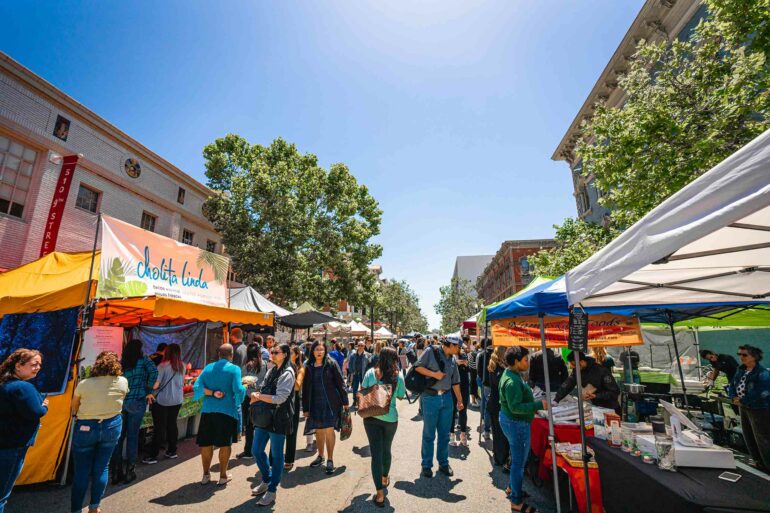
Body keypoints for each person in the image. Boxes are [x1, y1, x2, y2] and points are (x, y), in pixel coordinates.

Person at [71, 352, 128, 513]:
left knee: (82, 470)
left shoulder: (84, 383)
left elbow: (74, 406)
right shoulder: (122, 381)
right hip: (111, 425)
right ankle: (94, 507)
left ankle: (76, 509)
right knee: (102, 467)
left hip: (86, 426)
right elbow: (122, 397)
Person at [499, 346, 547, 513]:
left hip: (512, 422)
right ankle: (516, 502)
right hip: (516, 423)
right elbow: (515, 408)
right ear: (516, 361)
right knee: (518, 464)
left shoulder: (511, 374)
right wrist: (539, 404)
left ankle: (513, 489)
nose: (528, 363)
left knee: (517, 460)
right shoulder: (512, 381)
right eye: (525, 360)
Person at [0, 349, 48, 513]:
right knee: (2, 495)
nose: (38, 368)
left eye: (39, 365)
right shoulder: (23, 387)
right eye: (34, 364)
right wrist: (45, 407)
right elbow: (35, 411)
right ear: (18, 366)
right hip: (12, 447)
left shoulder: (6, 384)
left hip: (5, 442)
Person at [250, 343, 296, 507]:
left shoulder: (288, 373)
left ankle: (272, 490)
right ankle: (267, 479)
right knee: (256, 450)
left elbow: (280, 398)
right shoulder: (271, 370)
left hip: (279, 419)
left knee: (277, 456)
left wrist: (260, 396)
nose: (272, 354)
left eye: (276, 352)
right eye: (272, 351)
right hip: (264, 417)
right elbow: (264, 389)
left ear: (284, 354)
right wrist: (256, 392)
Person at [193, 344, 245, 486]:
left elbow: (196, 387)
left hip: (208, 410)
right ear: (231, 355)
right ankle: (222, 476)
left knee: (206, 443)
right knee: (225, 445)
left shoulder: (208, 367)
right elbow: (238, 389)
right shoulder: (235, 369)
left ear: (218, 354)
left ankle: (205, 475)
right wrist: (244, 388)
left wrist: (212, 393)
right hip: (227, 411)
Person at [360, 347, 406, 507]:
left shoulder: (370, 373)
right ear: (394, 359)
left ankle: (379, 494)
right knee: (386, 450)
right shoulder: (398, 375)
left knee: (376, 454)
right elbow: (400, 396)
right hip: (390, 418)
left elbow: (362, 390)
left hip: (371, 416)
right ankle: (385, 478)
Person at [415, 337, 463, 477]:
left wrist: (459, 400)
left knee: (444, 434)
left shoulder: (453, 359)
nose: (459, 350)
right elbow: (417, 367)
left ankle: (443, 463)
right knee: (429, 434)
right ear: (450, 345)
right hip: (430, 397)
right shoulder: (431, 351)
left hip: (447, 398)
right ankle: (426, 465)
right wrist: (434, 374)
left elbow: (455, 382)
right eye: (457, 347)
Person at [302, 340, 349, 475]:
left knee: (329, 430)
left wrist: (345, 402)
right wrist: (305, 408)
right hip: (315, 404)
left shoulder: (331, 364)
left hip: (331, 403)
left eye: (321, 349)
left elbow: (341, 383)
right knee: (319, 431)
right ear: (312, 351)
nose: (319, 352)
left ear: (325, 351)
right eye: (317, 349)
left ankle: (330, 459)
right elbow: (305, 389)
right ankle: (320, 456)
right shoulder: (309, 366)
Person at [115, 340, 157, 477]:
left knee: (119, 437)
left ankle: (116, 472)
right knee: (132, 436)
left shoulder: (122, 362)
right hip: (137, 400)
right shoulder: (144, 360)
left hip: (122, 401)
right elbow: (154, 372)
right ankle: (130, 470)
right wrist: (148, 388)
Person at [730, 345, 770, 470]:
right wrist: (733, 396)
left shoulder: (762, 373)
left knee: (762, 438)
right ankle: (758, 461)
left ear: (754, 357)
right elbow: (733, 384)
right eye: (739, 354)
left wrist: (743, 400)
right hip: (744, 407)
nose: (741, 357)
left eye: (744, 354)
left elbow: (763, 391)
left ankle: (768, 464)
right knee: (748, 435)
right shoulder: (740, 369)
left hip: (758, 408)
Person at [146, 343, 185, 464]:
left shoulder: (162, 366)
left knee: (159, 428)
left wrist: (149, 387)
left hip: (163, 400)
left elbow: (156, 384)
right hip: (177, 399)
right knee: (172, 424)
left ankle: (153, 455)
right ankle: (172, 451)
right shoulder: (182, 365)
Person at [555, 351, 621, 413]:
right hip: (596, 408)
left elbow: (614, 392)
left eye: (573, 364)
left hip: (611, 409)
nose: (572, 367)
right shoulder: (577, 370)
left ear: (582, 362)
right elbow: (568, 384)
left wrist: (596, 396)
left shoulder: (601, 371)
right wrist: (556, 399)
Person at [238, 343, 268, 459]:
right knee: (260, 425)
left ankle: (248, 451)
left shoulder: (246, 366)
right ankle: (258, 449)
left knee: (249, 426)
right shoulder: (265, 364)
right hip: (261, 397)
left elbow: (242, 382)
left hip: (248, 398)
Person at [487, 346, 510, 469]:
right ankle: (501, 458)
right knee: (501, 433)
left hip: (494, 403)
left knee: (497, 433)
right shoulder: (501, 369)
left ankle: (498, 457)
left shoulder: (493, 366)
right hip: (498, 404)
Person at [284, 345, 306, 470]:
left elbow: (297, 386)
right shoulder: (282, 366)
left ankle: (289, 459)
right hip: (281, 400)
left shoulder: (300, 368)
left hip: (293, 401)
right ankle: (274, 459)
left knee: (291, 431)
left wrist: (290, 371)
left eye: (291, 353)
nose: (288, 354)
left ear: (297, 355)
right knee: (278, 431)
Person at [450, 343, 471, 447]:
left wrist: (465, 364)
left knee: (463, 411)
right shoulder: (449, 357)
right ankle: (452, 436)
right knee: (452, 411)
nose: (458, 348)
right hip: (452, 387)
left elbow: (468, 370)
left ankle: (463, 435)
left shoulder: (464, 355)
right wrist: (457, 363)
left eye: (459, 346)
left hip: (464, 387)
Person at [348, 341, 371, 408]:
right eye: (359, 345)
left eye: (362, 345)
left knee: (364, 389)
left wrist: (367, 372)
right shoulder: (353, 355)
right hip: (355, 375)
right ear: (357, 346)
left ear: (364, 346)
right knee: (354, 389)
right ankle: (355, 401)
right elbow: (350, 364)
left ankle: (363, 402)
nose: (360, 347)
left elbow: (370, 365)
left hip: (363, 375)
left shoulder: (368, 355)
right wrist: (352, 371)